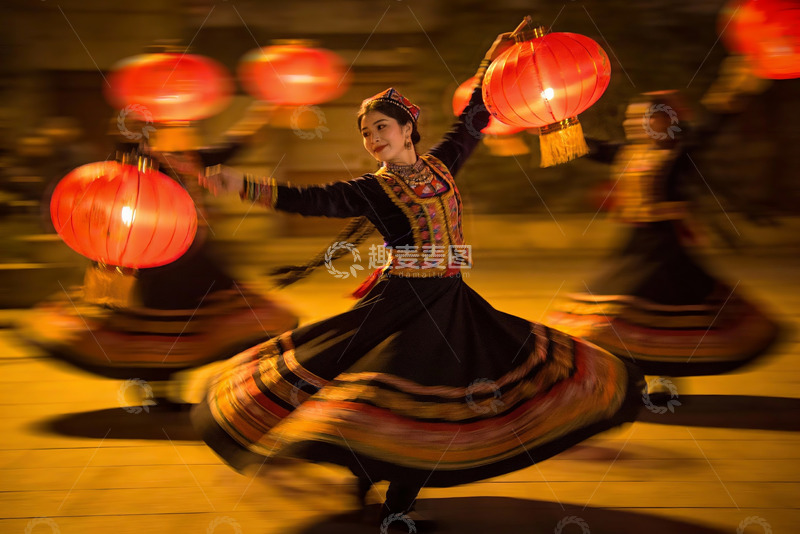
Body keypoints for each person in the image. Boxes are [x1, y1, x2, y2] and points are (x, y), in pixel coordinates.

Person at [190, 29, 644, 529]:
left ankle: (376, 482)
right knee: (405, 390)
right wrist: (245, 185)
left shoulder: (443, 163)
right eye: (366, 133)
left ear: (408, 130)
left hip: (451, 298)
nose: (373, 139)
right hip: (404, 300)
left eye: (381, 127)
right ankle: (394, 504)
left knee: (446, 384)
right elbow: (313, 200)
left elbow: (475, 117)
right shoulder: (372, 189)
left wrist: (494, 59)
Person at [545, 62, 782, 384]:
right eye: (631, 117)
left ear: (664, 121)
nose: (633, 123)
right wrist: (555, 124)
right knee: (618, 310)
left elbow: (712, 126)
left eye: (643, 117)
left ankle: (661, 379)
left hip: (666, 249)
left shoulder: (679, 153)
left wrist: (733, 90)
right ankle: (636, 376)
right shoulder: (628, 153)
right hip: (633, 246)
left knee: (650, 310)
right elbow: (588, 147)